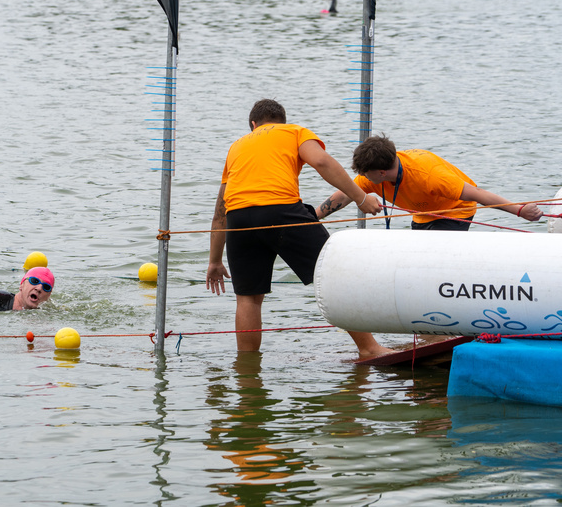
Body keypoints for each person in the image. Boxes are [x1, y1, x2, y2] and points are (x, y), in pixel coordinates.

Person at [206, 98, 391, 358]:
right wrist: (361, 198)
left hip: (239, 219)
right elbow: (322, 162)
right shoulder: (294, 132)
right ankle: (370, 349)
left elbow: (220, 209)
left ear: (253, 124)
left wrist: (214, 261)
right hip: (280, 210)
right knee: (333, 276)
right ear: (282, 120)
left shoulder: (236, 147)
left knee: (248, 298)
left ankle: (247, 369)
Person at [315, 134, 543, 230]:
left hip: (455, 211)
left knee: (436, 257)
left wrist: (520, 211)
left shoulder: (429, 176)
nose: (363, 178)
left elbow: (479, 194)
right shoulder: (372, 176)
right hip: (422, 212)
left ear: (382, 172)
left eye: (367, 174)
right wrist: (313, 217)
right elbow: (346, 193)